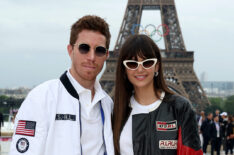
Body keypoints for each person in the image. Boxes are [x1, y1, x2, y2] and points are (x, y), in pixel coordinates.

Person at [9, 15, 114, 155]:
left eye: (99, 50)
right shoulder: (40, 99)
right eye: (84, 48)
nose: (91, 57)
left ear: (107, 55)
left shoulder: (108, 104)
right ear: (70, 50)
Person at [113, 34, 202, 155]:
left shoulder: (180, 108)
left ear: (157, 66)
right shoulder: (116, 111)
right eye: (132, 64)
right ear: (124, 69)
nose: (140, 69)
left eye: (147, 63)